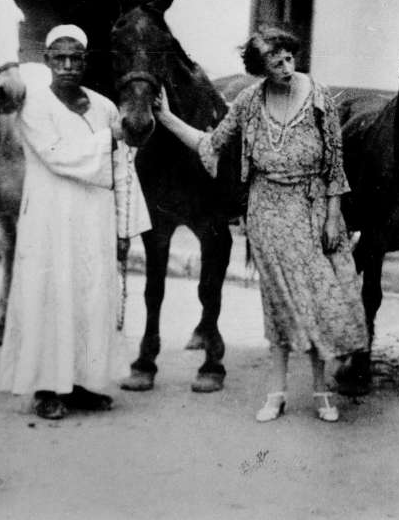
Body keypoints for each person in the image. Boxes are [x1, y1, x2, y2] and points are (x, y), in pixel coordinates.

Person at [155, 26, 367, 423]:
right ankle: (276, 392)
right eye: (276, 62)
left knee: (318, 303)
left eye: (289, 57)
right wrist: (166, 118)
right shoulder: (250, 101)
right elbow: (210, 143)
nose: (287, 67)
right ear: (260, 68)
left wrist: (334, 216)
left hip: (313, 209)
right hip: (267, 213)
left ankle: (322, 393)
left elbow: (336, 164)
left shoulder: (319, 96)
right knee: (280, 305)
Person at [0, 24, 150, 420]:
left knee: (90, 295)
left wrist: (124, 228)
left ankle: (83, 383)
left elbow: (123, 170)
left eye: (75, 58)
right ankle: (47, 388)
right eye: (59, 58)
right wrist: (108, 140)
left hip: (94, 220)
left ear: (86, 61)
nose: (67, 66)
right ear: (47, 61)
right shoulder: (35, 105)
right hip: (50, 217)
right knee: (51, 296)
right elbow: (57, 155)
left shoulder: (103, 106)